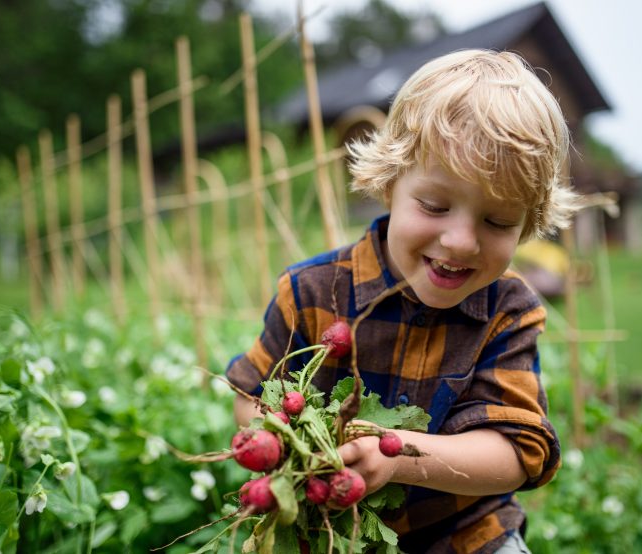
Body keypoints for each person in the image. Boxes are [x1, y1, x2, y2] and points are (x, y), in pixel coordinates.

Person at [227, 49, 579, 554]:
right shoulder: (310, 291)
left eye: (498, 222)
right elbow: (250, 396)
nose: (461, 241)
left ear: (528, 223)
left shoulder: (510, 311)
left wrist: (398, 456)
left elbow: (514, 453)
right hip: (330, 529)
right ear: (390, 183)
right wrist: (292, 448)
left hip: (466, 533)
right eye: (435, 206)